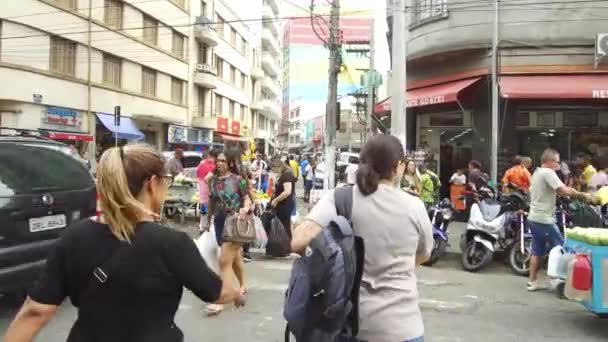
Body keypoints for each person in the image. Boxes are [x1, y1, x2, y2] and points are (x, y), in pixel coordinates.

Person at [4, 144, 243, 342]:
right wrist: (226, 264)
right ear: (152, 183)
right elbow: (219, 294)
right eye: (166, 181)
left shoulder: (73, 238)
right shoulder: (172, 243)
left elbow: (36, 311)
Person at [291, 135, 433, 342]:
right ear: (398, 167)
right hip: (404, 328)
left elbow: (298, 242)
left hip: (352, 326)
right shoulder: (415, 206)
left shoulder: (341, 198)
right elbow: (424, 254)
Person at [527, 148, 594, 291]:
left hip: (533, 217)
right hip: (544, 219)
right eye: (557, 162)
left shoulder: (537, 172)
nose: (558, 165)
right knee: (562, 247)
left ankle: (532, 282)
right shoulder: (548, 172)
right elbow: (564, 189)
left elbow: (550, 191)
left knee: (537, 250)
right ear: (549, 161)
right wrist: (584, 195)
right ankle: (560, 282)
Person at [206, 150, 253, 315]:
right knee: (235, 257)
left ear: (230, 163)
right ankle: (243, 285)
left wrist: (245, 208)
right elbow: (211, 201)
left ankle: (223, 298)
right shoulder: (213, 181)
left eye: (223, 161)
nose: (220, 163)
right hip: (220, 222)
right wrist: (206, 219)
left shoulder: (238, 180)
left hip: (235, 223)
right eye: (218, 160)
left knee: (224, 260)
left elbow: (247, 197)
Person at [270, 156, 297, 240]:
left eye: (273, 169)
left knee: (285, 226)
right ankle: (283, 245)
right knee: (283, 225)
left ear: (278, 167)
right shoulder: (282, 174)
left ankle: (287, 245)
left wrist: (276, 200)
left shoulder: (287, 174)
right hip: (282, 204)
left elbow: (287, 191)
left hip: (285, 204)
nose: (273, 171)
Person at [197, 148, 219, 233]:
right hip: (211, 194)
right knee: (212, 215)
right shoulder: (215, 166)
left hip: (203, 194)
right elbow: (207, 179)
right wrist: (212, 187)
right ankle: (208, 230)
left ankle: (202, 228)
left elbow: (200, 177)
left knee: (204, 214)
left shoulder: (201, 164)